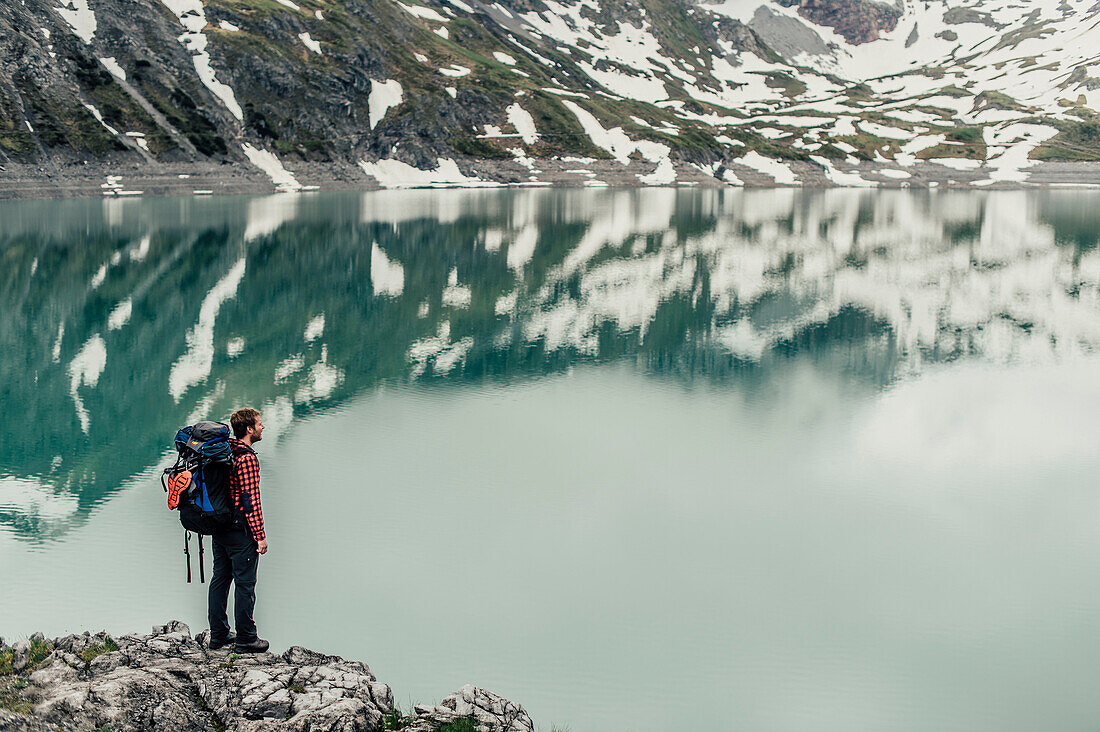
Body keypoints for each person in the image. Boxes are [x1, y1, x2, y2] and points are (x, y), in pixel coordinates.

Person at [208, 407, 270, 653]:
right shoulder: (246, 459)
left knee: (220, 580)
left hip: (219, 527)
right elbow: (250, 501)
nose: (262, 426)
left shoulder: (227, 451)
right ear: (249, 429)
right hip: (239, 531)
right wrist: (260, 536)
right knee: (245, 585)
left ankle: (219, 635)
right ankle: (246, 638)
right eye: (259, 423)